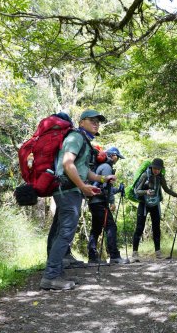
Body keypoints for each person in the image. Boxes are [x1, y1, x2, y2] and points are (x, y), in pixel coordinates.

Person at [40, 110, 116, 290]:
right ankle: (50, 276)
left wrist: (103, 179)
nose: (96, 123)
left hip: (69, 190)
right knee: (66, 232)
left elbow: (84, 170)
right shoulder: (76, 137)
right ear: (82, 122)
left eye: (98, 121)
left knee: (60, 231)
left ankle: (56, 272)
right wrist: (82, 186)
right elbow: (67, 163)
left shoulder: (83, 140)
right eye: (92, 120)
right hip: (68, 191)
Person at [131, 158, 177, 261]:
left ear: (161, 169)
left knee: (156, 228)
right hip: (144, 204)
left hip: (155, 204)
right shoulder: (145, 175)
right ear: (151, 167)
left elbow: (167, 189)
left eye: (158, 169)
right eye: (155, 168)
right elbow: (136, 190)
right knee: (139, 227)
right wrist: (146, 192)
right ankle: (134, 254)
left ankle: (158, 253)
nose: (156, 170)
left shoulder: (160, 177)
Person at [87, 146, 129, 264]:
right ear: (113, 156)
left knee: (96, 229)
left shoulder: (101, 166)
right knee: (111, 227)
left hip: (94, 202)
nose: (117, 160)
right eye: (118, 158)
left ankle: (92, 256)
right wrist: (112, 202)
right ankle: (114, 255)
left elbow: (104, 187)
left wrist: (118, 190)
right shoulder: (107, 167)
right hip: (101, 202)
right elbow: (107, 188)